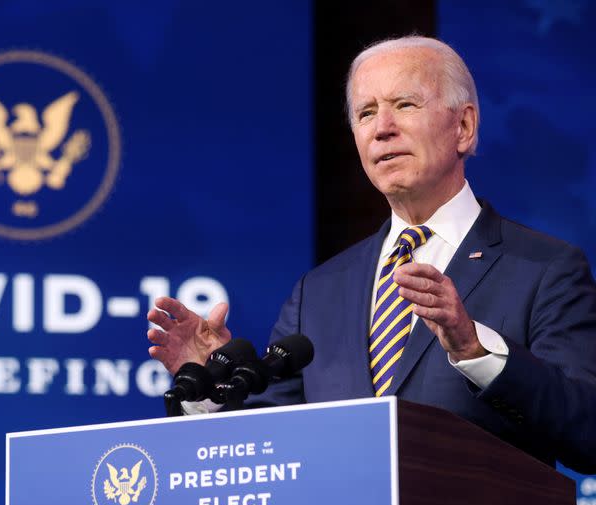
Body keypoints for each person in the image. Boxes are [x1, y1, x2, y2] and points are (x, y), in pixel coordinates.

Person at [147, 35, 596, 474]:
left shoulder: (545, 270)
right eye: (366, 113)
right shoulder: (318, 292)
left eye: (405, 105)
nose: (382, 128)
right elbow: (267, 453)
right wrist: (207, 387)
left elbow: (587, 434)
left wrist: (476, 352)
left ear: (464, 127)